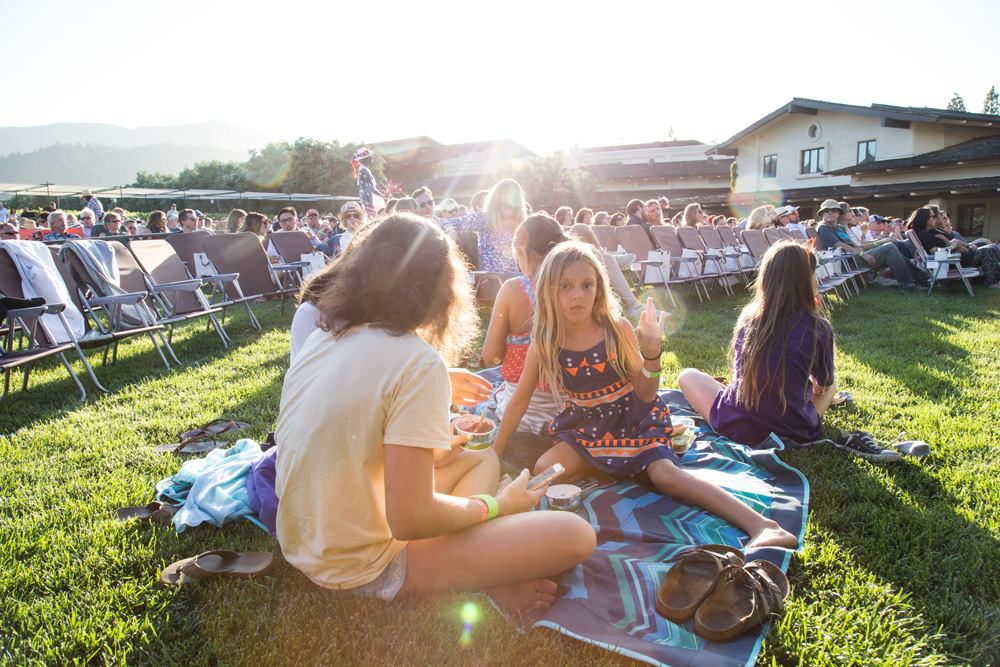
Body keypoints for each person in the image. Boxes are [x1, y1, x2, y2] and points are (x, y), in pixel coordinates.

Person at [275, 213, 595, 609]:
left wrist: (442, 450)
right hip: (361, 567)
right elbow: (410, 520)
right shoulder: (417, 361)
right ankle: (485, 578)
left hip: (306, 544)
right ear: (440, 288)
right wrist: (497, 506)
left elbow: (357, 450)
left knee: (481, 460)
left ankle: (480, 558)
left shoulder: (325, 339)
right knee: (574, 534)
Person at [493, 241, 797, 549]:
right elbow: (518, 401)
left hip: (633, 419)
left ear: (599, 288)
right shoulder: (545, 342)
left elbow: (646, 392)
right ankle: (613, 464)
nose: (577, 295)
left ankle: (762, 525)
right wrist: (495, 453)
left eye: (587, 285)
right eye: (565, 286)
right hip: (586, 426)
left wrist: (651, 354)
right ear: (547, 291)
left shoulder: (616, 329)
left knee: (666, 477)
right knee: (547, 468)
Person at [679, 241, 839, 449]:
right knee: (831, 386)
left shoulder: (749, 317)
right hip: (793, 431)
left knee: (688, 375)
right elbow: (821, 387)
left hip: (737, 426)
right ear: (806, 280)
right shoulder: (819, 327)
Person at [482, 214, 569, 443]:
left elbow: (490, 356)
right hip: (570, 416)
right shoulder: (578, 289)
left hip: (522, 417)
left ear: (522, 251)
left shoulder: (513, 289)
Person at [815, 199, 919, 288]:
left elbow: (854, 245)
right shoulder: (824, 228)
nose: (830, 213)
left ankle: (921, 278)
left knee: (892, 248)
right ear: (822, 214)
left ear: (839, 213)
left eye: (833, 210)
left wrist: (862, 250)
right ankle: (908, 283)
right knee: (889, 248)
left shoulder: (840, 228)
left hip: (855, 257)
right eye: (826, 211)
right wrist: (862, 254)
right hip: (846, 262)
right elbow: (839, 245)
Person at [441, 179, 527, 273]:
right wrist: (451, 231)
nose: (502, 208)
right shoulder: (484, 218)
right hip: (490, 281)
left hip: (512, 280)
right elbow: (444, 223)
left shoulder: (521, 224)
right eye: (499, 204)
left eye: (506, 205)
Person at [910, 207, 1000, 287]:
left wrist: (955, 245)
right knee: (987, 251)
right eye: (933, 216)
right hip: (947, 262)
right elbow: (935, 252)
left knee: (990, 248)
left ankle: (991, 281)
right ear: (925, 219)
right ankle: (993, 283)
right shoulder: (924, 234)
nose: (935, 218)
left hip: (951, 259)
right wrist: (952, 247)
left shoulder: (927, 232)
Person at [351, 147, 386, 217]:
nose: (371, 158)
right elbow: (371, 188)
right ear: (366, 160)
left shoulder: (364, 169)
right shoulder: (364, 170)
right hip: (367, 200)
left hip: (367, 199)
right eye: (369, 157)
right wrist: (382, 196)